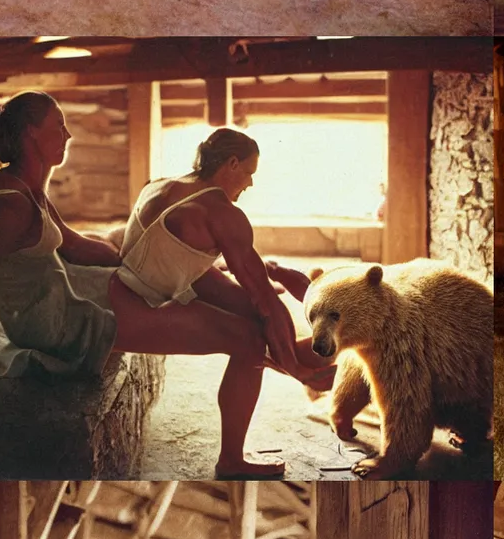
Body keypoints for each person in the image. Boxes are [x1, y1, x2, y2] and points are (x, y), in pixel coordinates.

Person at [108, 126, 340, 477]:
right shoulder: (219, 212)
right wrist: (296, 371)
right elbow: (267, 301)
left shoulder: (163, 183)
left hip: (146, 281)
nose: (249, 184)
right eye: (248, 173)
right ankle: (231, 461)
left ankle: (315, 368)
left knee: (254, 315)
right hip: (134, 306)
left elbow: (181, 258)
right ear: (231, 163)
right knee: (249, 337)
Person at [0, 92, 124, 381]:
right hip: (40, 322)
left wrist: (122, 256)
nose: (69, 135)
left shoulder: (29, 190)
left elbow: (70, 243)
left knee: (138, 284)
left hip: (48, 301)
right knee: (152, 303)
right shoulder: (3, 199)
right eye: (59, 126)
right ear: (31, 133)